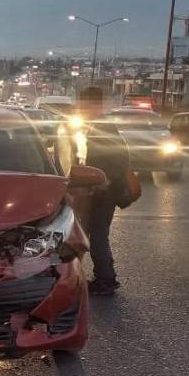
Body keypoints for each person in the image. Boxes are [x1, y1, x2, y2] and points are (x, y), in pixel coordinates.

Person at [74, 87, 132, 296]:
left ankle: (106, 280)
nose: (81, 108)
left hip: (103, 193)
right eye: (80, 104)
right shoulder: (91, 126)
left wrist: (105, 181)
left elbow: (120, 159)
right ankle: (98, 277)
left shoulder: (104, 128)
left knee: (97, 236)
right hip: (91, 191)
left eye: (85, 105)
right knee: (88, 235)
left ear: (96, 105)